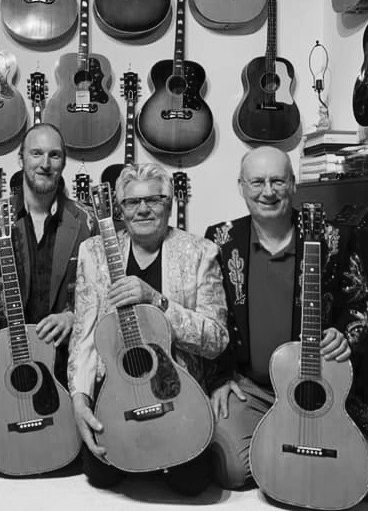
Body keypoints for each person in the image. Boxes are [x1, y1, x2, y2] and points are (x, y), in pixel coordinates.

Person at [204, 146, 368, 498]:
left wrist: (345, 336)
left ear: (293, 185)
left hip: (318, 387)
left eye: (277, 180)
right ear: (241, 186)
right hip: (252, 388)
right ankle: (277, 432)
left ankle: (302, 442)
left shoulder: (333, 239)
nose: (267, 191)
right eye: (257, 182)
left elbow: (360, 303)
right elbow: (209, 315)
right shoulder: (221, 239)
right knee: (233, 471)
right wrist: (218, 378)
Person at [68, 163, 229, 495]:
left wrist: (157, 300)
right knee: (101, 474)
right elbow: (83, 334)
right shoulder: (94, 253)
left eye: (153, 200)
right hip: (117, 384)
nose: (142, 209)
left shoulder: (200, 252)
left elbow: (215, 339)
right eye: (131, 202)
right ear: (120, 210)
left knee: (191, 482)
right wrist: (80, 400)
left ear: (169, 203)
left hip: (177, 391)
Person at [0, 123, 96, 462]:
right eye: (37, 153)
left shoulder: (86, 222)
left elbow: (101, 289)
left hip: (64, 356)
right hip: (11, 360)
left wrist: (73, 315)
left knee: (75, 445)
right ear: (21, 157)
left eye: (54, 155)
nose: (45, 163)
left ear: (64, 162)